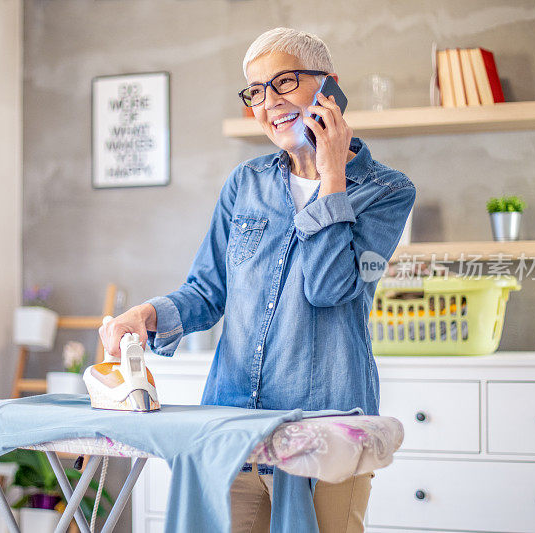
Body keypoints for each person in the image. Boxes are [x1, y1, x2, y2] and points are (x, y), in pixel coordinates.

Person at [99, 27, 416, 533]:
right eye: (256, 92)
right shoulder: (245, 184)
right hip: (233, 429)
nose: (269, 103)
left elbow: (329, 287)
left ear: (329, 87)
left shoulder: (388, 191)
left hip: (328, 433)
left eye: (284, 82)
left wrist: (329, 177)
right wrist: (148, 314)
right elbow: (207, 290)